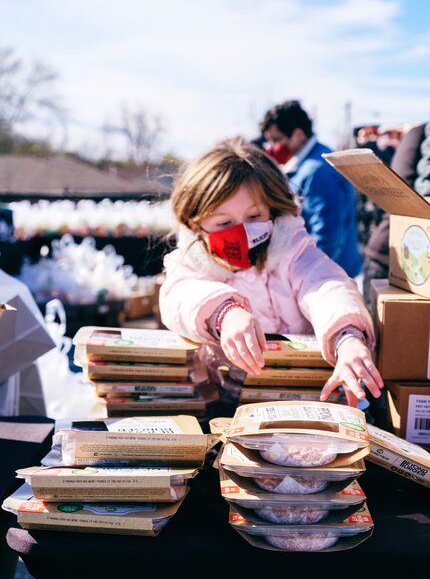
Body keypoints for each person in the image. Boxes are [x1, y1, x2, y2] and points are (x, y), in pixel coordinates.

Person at [159, 137, 383, 406]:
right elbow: (180, 296)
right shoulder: (190, 263)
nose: (241, 230)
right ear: (196, 225)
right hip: (226, 399)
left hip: (302, 397)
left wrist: (347, 337)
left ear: (273, 210)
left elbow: (325, 284)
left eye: (253, 217)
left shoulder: (293, 251)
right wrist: (224, 313)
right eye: (224, 222)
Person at [260, 101, 362, 278]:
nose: (271, 148)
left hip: (327, 275)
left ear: (298, 134)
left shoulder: (318, 170)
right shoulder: (302, 165)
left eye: (276, 140)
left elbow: (328, 234)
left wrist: (310, 276)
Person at [363, 122, 429, 308]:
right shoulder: (419, 134)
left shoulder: (419, 133)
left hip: (394, 255)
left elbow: (396, 191)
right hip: (393, 261)